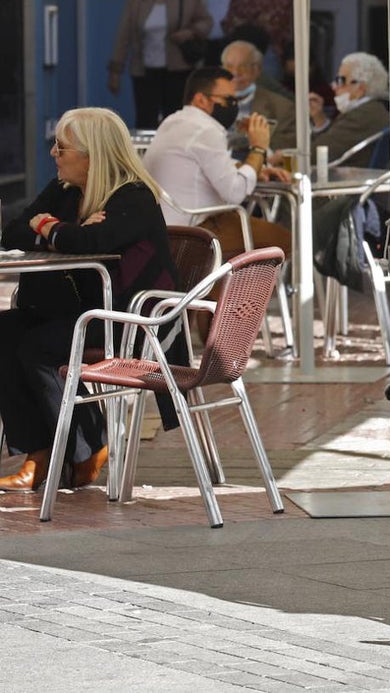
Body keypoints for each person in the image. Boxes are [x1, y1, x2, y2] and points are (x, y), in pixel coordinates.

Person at [0, 108, 180, 491]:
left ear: (92, 154)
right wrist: (55, 228)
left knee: (38, 347)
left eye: (62, 147)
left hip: (131, 320)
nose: (54, 153)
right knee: (5, 331)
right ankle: (40, 450)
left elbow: (88, 243)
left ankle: (88, 449)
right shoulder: (66, 191)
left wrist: (50, 228)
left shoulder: (134, 196)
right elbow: (13, 230)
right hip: (81, 309)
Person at [143, 66, 291, 258]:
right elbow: (235, 192)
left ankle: (242, 286)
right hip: (195, 231)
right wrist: (258, 148)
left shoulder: (173, 122)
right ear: (201, 100)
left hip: (162, 231)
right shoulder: (205, 130)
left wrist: (250, 168)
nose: (233, 106)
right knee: (284, 240)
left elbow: (203, 166)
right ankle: (248, 288)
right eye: (228, 100)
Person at [108, 0, 212, 129]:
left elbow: (206, 22)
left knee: (177, 121)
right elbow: (124, 35)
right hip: (144, 70)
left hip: (178, 68)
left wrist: (190, 32)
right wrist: (116, 70)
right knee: (146, 120)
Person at [305, 52, 390, 167]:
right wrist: (319, 119)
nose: (333, 86)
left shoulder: (361, 117)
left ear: (360, 88)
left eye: (341, 80)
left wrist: (284, 156)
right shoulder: (373, 109)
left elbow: (315, 155)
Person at [221, 39, 296, 154]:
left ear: (257, 70)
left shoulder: (282, 108)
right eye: (229, 67)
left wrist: (251, 142)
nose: (235, 73)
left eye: (243, 67)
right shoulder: (206, 102)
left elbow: (287, 148)